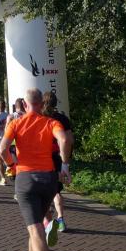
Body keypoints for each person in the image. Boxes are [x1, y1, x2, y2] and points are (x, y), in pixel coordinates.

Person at [0, 89, 71, 251]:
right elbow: (64, 139)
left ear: (25, 103)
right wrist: (65, 166)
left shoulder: (16, 123)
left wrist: (12, 165)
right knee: (37, 226)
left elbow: (2, 149)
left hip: (26, 180)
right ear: (41, 103)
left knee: (36, 230)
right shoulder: (51, 123)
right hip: (48, 180)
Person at [44, 93, 74, 233]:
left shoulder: (41, 118)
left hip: (43, 158)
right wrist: (65, 163)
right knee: (56, 191)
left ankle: (47, 222)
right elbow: (69, 140)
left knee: (43, 192)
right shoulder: (62, 119)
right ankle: (61, 219)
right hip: (57, 158)